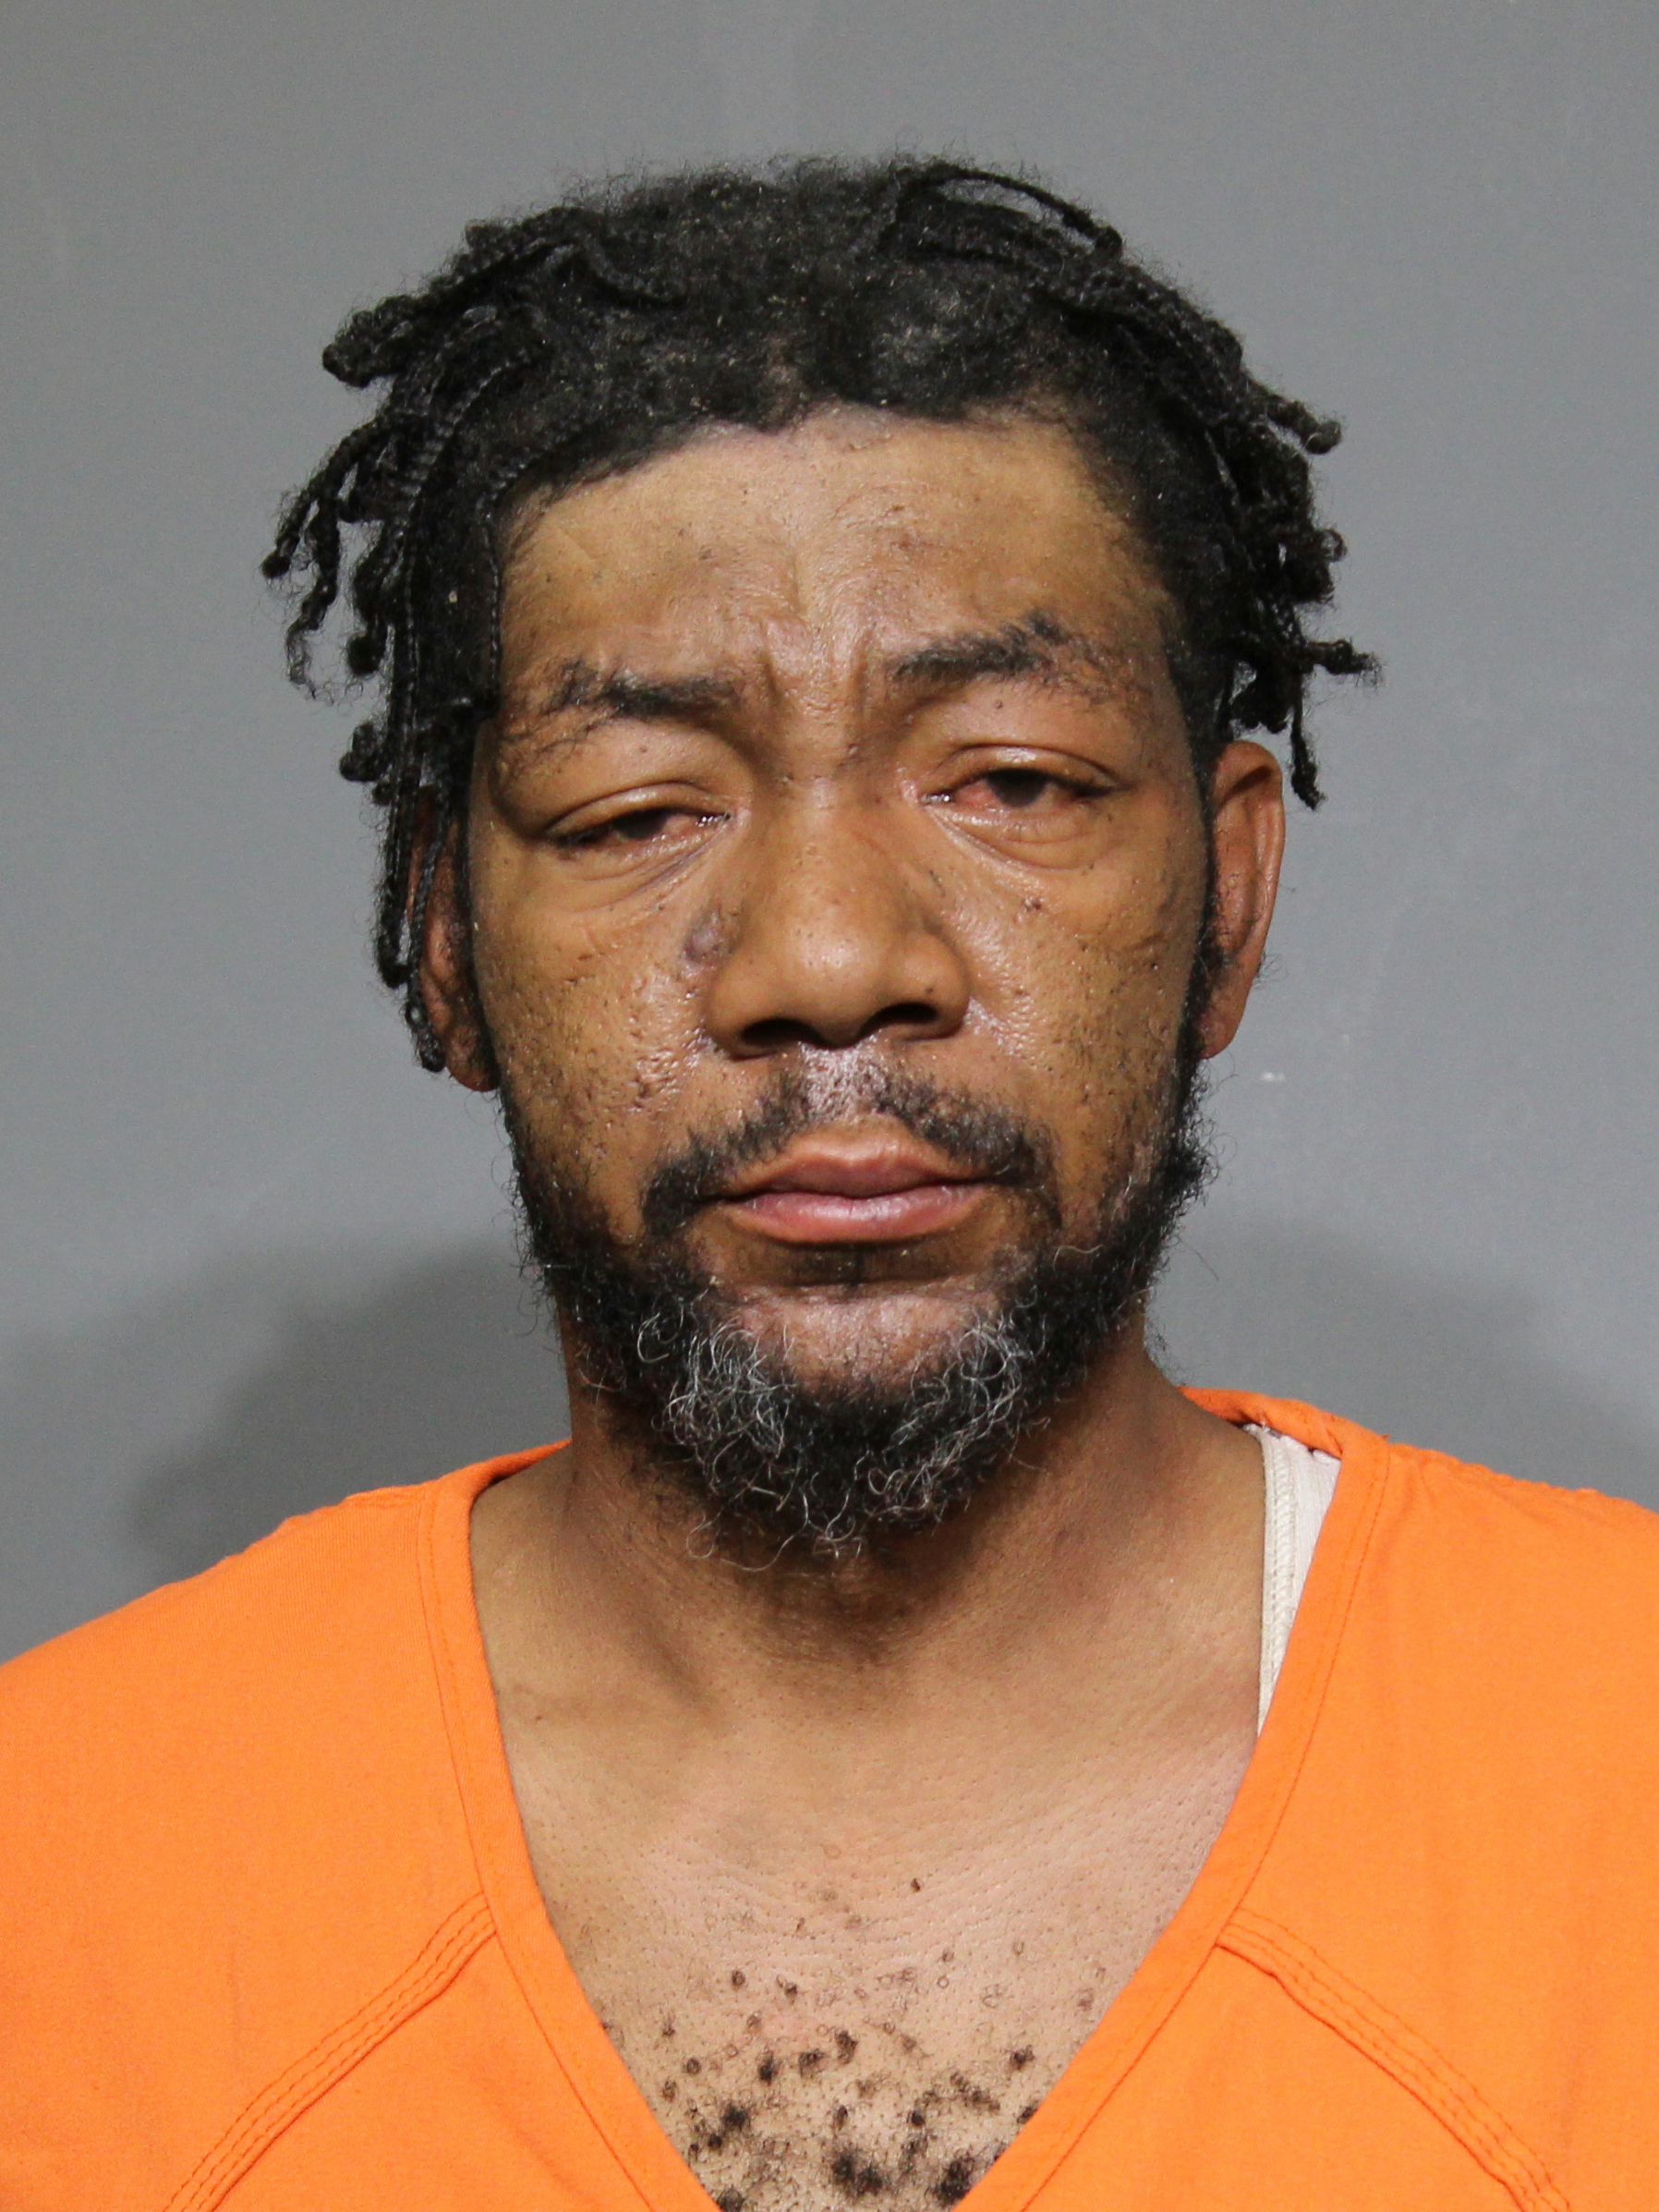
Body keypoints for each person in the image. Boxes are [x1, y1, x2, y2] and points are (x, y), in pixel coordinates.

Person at [3, 158, 1655, 2212]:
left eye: (1012, 781)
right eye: (636, 809)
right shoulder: (59, 1875)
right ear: (442, 936)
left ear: (1229, 900)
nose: (829, 956)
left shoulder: (1624, 1773)